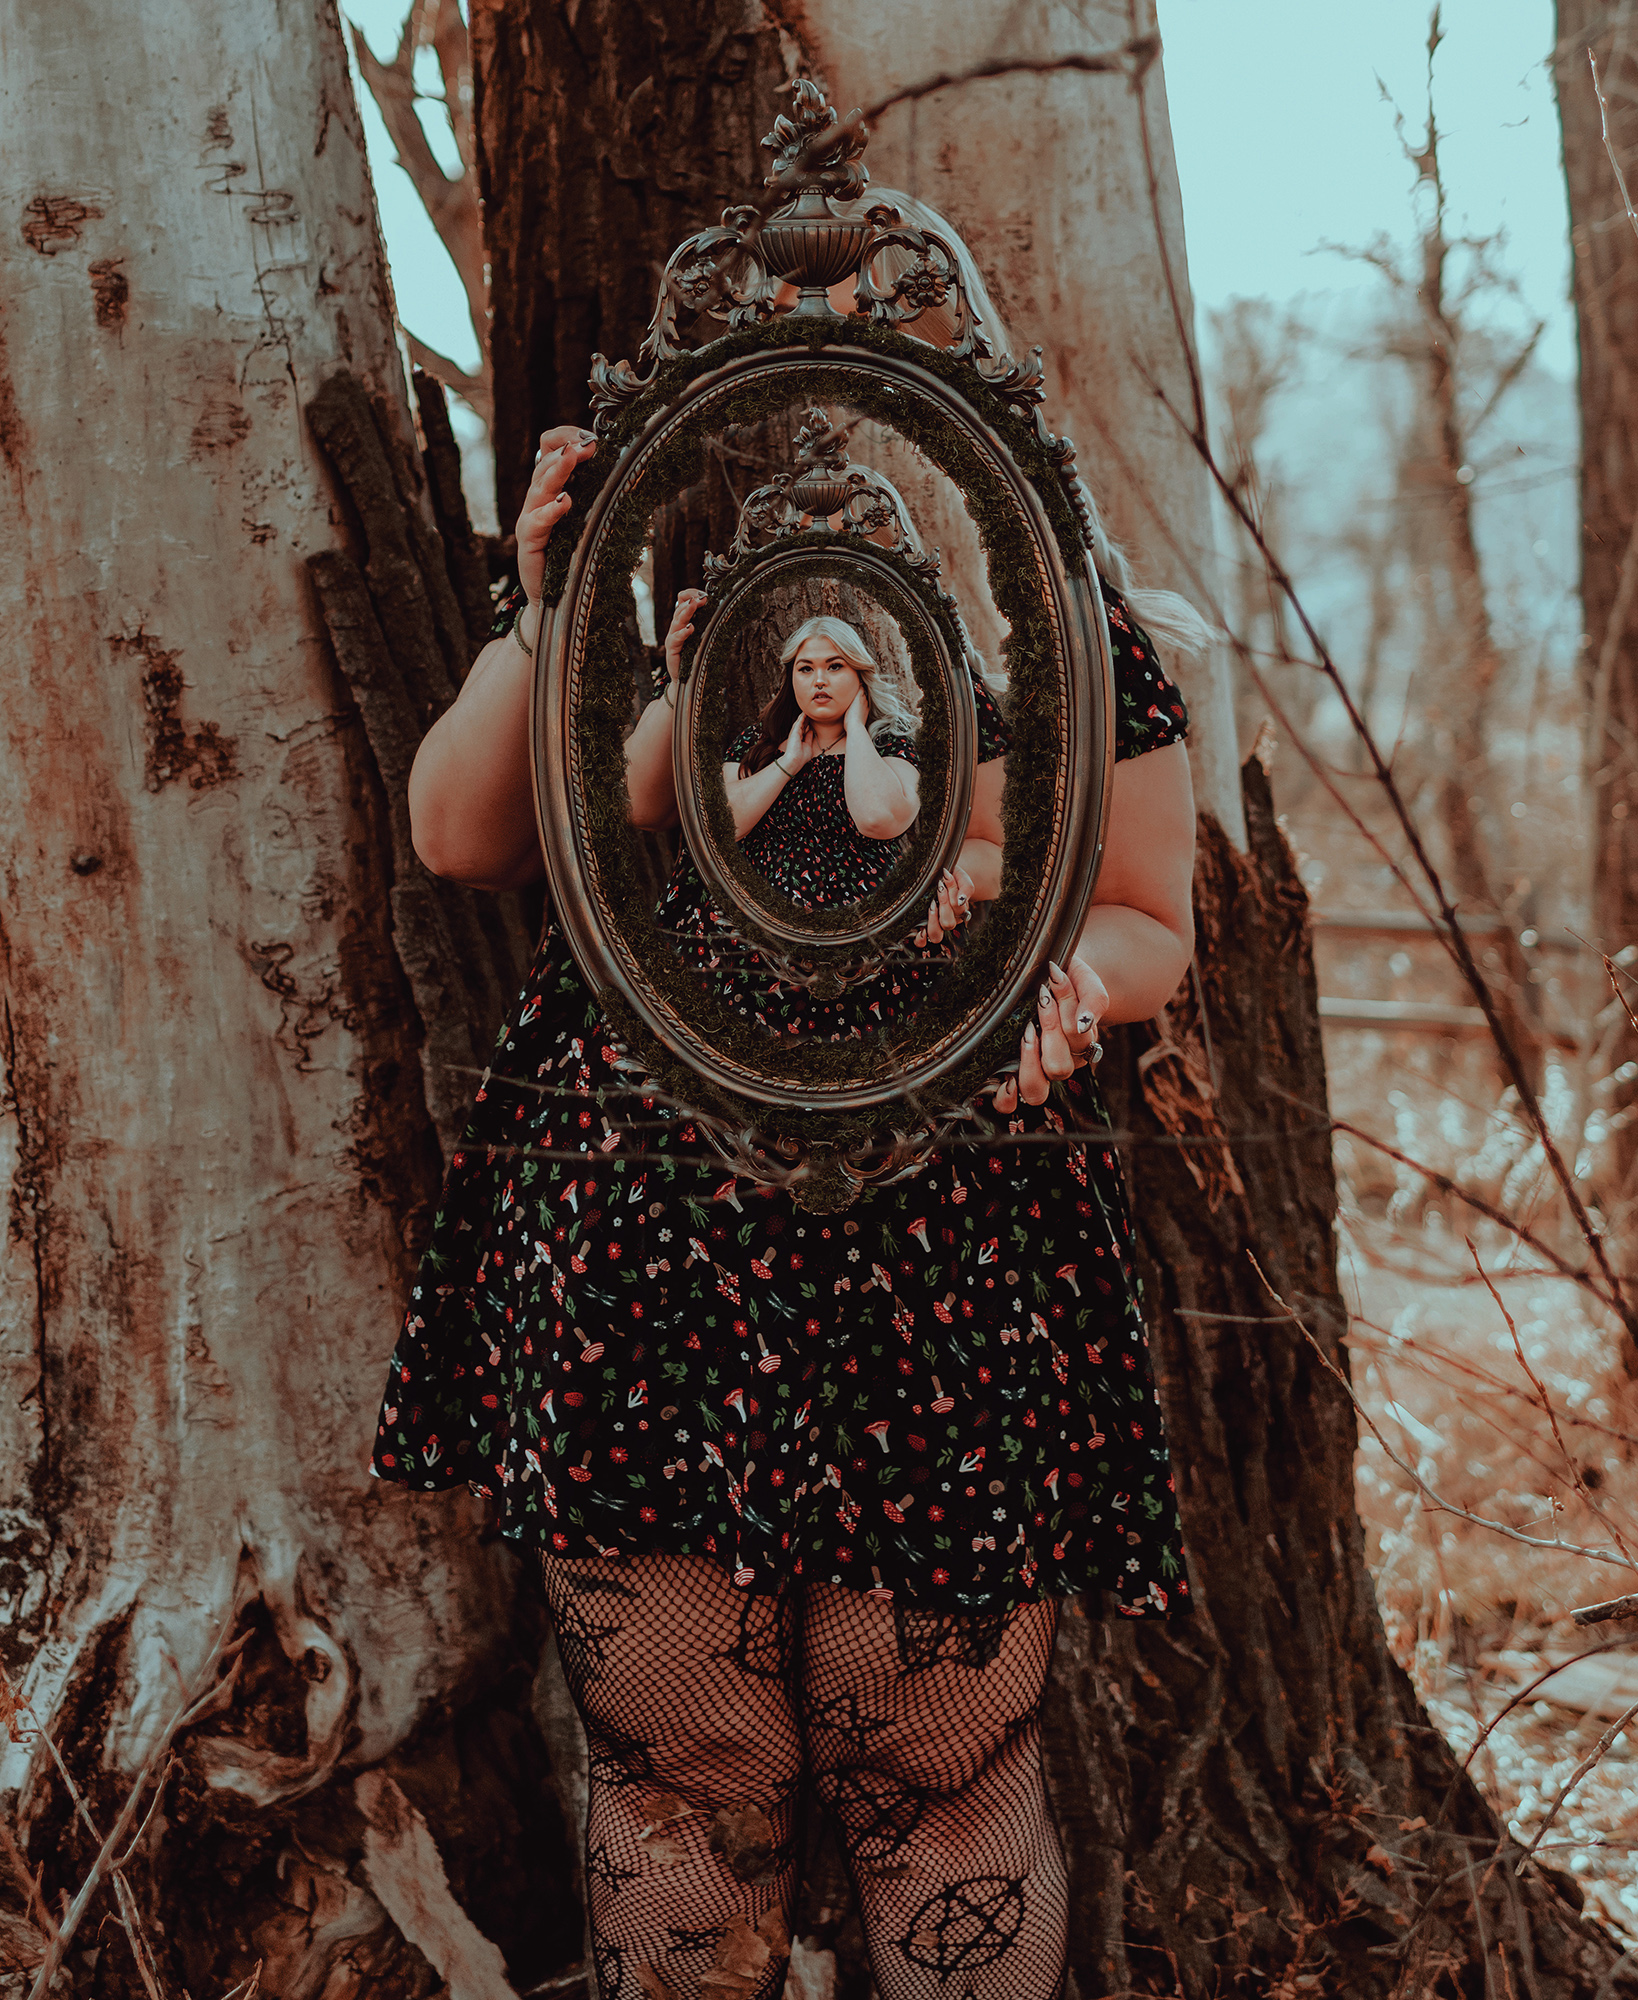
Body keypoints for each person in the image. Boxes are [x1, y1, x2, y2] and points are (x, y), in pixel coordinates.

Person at [376, 426, 1201, 2000]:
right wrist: (546, 602)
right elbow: (460, 836)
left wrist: (1059, 979)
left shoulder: (1063, 639)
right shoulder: (693, 670)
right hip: (649, 1245)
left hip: (948, 1252)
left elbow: (1152, 917)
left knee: (945, 1778)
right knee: (683, 1768)